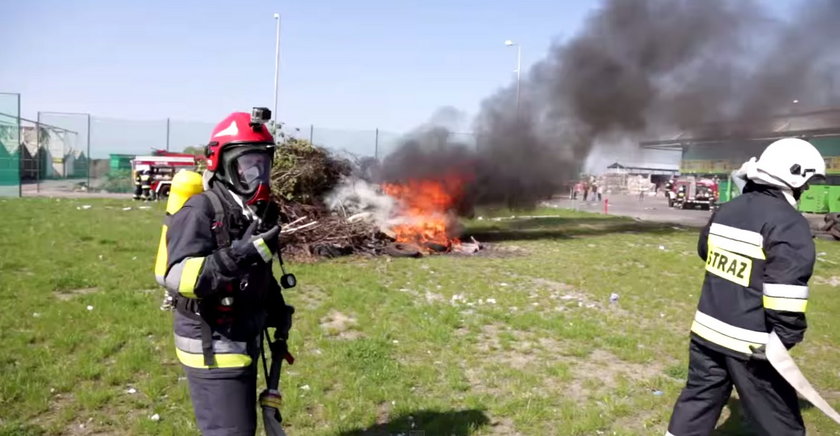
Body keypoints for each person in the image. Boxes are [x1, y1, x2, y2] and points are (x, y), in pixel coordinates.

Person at [666, 138, 825, 436]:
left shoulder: (727, 209)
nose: (806, 190)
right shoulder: (788, 223)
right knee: (779, 420)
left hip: (706, 331)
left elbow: (706, 250)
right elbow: (786, 293)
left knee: (698, 401)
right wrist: (787, 337)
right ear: (795, 177)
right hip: (752, 343)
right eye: (807, 183)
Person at [161, 109, 294, 435]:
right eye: (247, 164)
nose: (257, 175)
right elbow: (178, 278)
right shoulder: (201, 210)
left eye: (262, 165)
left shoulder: (251, 211)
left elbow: (256, 271)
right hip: (213, 348)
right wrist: (239, 256)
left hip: (242, 337)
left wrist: (274, 306)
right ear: (222, 163)